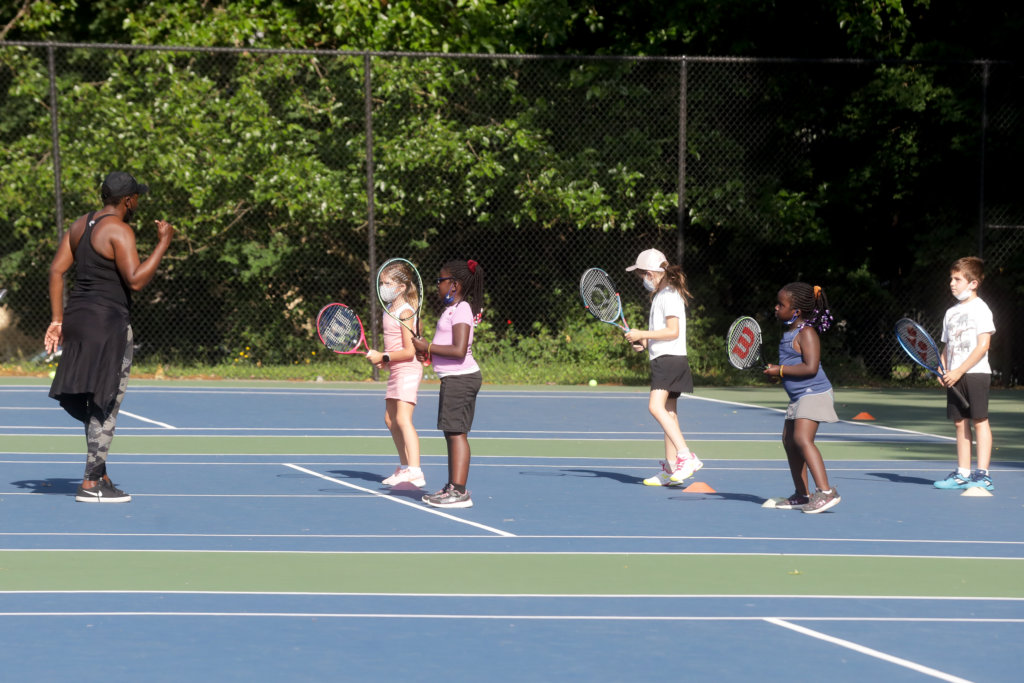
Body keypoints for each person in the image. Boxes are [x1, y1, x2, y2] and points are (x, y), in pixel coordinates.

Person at [44, 171, 174, 503]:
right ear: (128, 200)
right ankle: (91, 483)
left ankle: (99, 471)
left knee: (87, 399)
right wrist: (163, 243)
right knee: (106, 401)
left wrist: (57, 320)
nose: (138, 204)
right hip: (108, 324)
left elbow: (57, 270)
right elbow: (135, 281)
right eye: (137, 199)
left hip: (78, 321)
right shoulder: (119, 229)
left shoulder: (79, 225)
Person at [621, 249, 702, 487]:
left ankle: (686, 457)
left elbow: (673, 331)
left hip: (669, 359)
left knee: (655, 407)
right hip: (666, 357)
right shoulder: (660, 295)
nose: (642, 280)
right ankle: (671, 466)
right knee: (670, 413)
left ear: (651, 273)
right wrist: (643, 342)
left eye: (642, 274)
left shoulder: (669, 295)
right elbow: (661, 332)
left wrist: (642, 333)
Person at [411, 259, 484, 508]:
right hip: (453, 378)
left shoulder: (462, 308)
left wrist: (428, 346)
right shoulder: (452, 309)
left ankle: (459, 491)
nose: (437, 286)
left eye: (440, 281)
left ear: (454, 284)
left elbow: (459, 350)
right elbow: (446, 347)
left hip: (461, 378)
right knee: (451, 432)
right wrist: (428, 352)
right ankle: (453, 487)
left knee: (456, 434)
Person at [763, 283, 840, 513]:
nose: (776, 308)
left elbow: (811, 368)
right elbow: (789, 367)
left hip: (815, 392)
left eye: (781, 304)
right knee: (789, 441)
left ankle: (826, 492)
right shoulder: (787, 334)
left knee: (802, 439)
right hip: (798, 396)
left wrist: (781, 371)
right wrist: (776, 375)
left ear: (796, 311)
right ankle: (802, 494)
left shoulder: (806, 333)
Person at [933, 256, 996, 492]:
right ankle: (962, 473)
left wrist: (959, 370)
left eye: (958, 279)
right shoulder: (950, 313)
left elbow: (983, 346)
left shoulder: (981, 309)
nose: (952, 283)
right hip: (955, 375)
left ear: (973, 283)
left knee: (980, 421)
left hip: (975, 374)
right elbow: (947, 346)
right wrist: (942, 367)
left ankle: (983, 474)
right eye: (951, 278)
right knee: (960, 423)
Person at [365, 260, 425, 488]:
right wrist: (387, 362)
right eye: (381, 283)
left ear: (400, 287)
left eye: (387, 283)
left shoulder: (406, 311)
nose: (383, 287)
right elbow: (395, 349)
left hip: (409, 370)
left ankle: (416, 471)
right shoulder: (388, 310)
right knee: (390, 419)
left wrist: (384, 356)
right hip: (397, 370)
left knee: (402, 419)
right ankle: (404, 467)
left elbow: (410, 351)